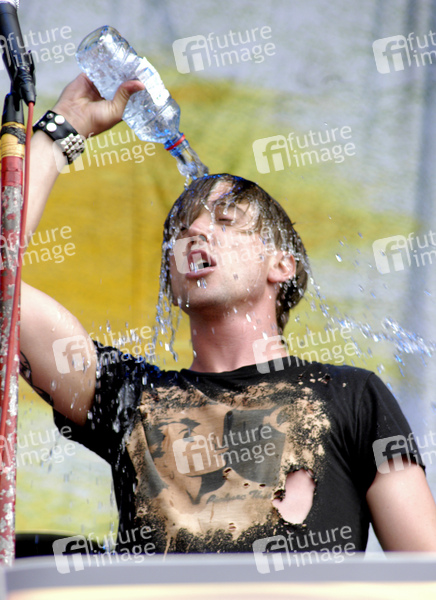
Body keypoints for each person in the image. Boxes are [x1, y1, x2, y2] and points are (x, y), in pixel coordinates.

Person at [21, 74, 436, 556]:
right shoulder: (130, 398)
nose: (195, 230)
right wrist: (61, 131)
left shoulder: (354, 396)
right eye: (181, 229)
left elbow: (423, 573)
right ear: (171, 279)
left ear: (281, 264)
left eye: (225, 219)